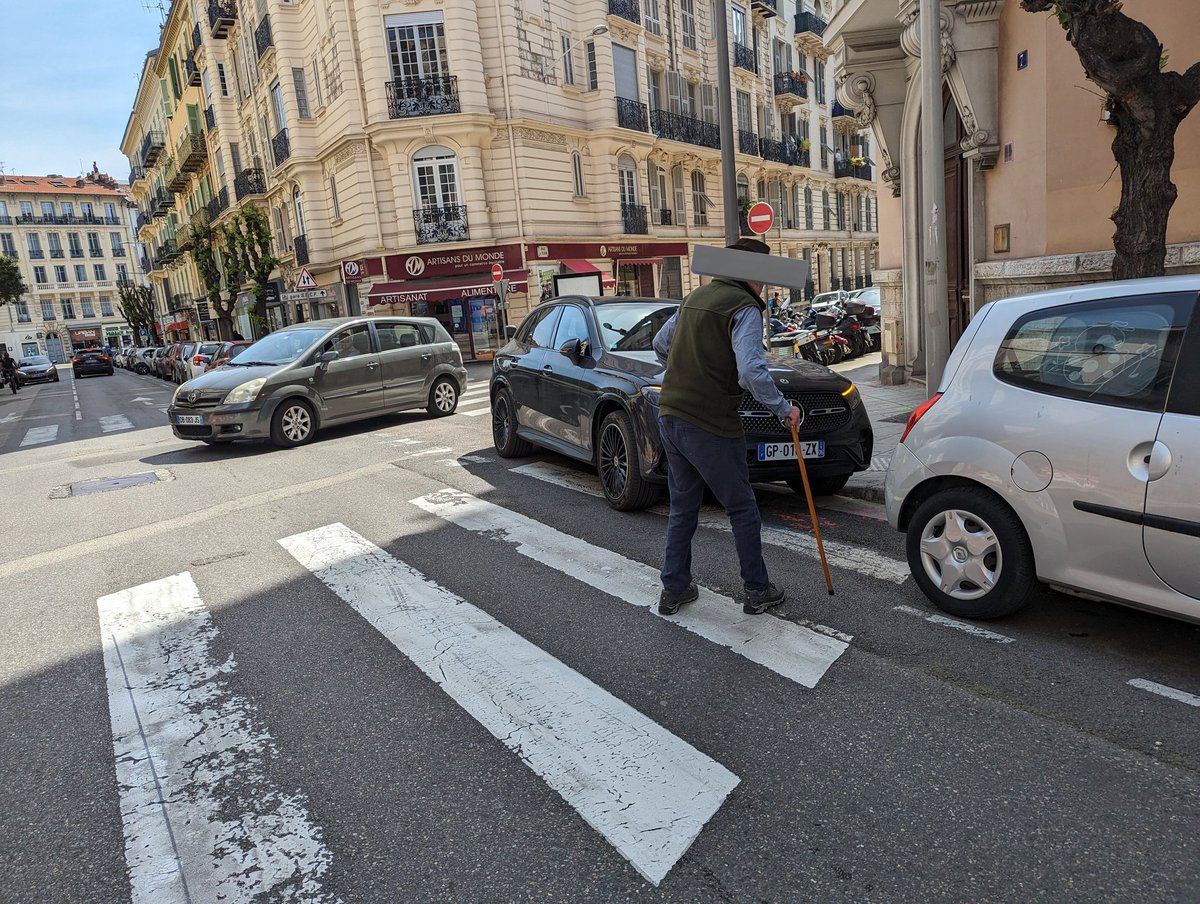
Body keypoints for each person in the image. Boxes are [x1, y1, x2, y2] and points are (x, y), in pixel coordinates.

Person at [652, 238, 801, 617]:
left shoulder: (694, 298)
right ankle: (757, 589)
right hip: (711, 420)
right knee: (742, 508)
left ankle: (674, 589)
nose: (765, 285)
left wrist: (692, 368)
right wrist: (784, 409)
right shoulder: (745, 308)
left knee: (683, 506)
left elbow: (660, 343)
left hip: (671, 413)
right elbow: (751, 370)